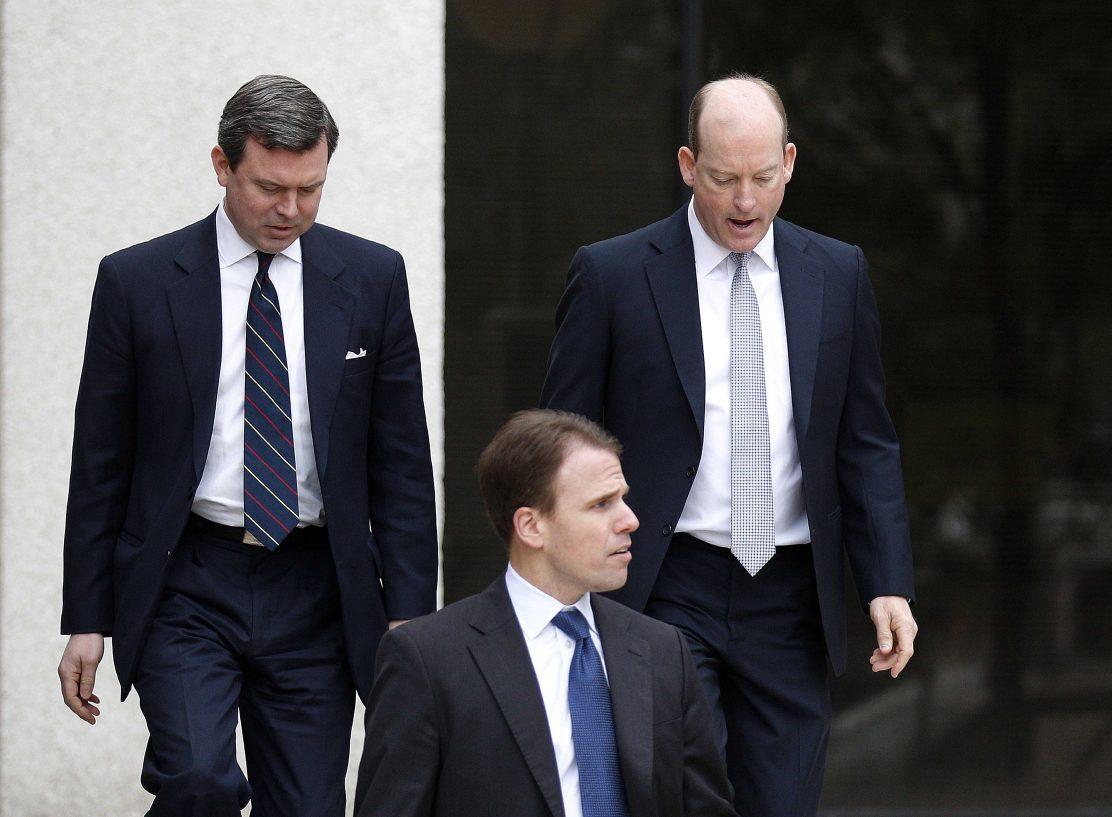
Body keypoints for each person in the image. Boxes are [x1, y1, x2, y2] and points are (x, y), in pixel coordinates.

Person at [55, 75, 438, 817]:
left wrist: (408, 611)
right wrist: (86, 616)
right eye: (269, 187)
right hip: (187, 578)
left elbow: (402, 462)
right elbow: (99, 462)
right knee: (200, 780)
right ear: (222, 165)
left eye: (310, 188)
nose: (290, 209)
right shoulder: (136, 282)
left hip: (318, 585)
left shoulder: (371, 278)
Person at [539, 74, 918, 816]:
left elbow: (864, 439)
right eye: (723, 179)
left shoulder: (837, 274)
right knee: (678, 797)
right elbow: (558, 442)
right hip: (663, 582)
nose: (745, 201)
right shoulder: (614, 276)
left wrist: (888, 580)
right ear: (687, 166)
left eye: (763, 178)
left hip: (792, 593)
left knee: (783, 801)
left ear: (790, 163)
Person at [355, 409, 736, 817]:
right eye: (601, 504)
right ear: (531, 526)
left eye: (622, 498)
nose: (630, 520)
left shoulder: (662, 650)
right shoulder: (428, 659)